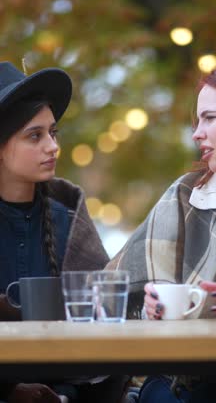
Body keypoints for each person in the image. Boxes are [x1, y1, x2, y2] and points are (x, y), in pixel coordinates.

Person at [107, 58, 216, 402]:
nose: (197, 133)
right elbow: (113, 292)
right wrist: (149, 307)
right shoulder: (186, 196)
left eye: (209, 118)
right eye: (197, 121)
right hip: (187, 384)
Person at [0, 61, 127, 403]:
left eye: (53, 133)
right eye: (35, 135)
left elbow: (108, 334)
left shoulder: (70, 223)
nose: (53, 147)